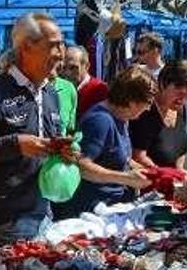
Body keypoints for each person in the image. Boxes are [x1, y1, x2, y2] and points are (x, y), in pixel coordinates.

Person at [0, 12, 66, 254]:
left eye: (62, 45)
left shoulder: (51, 93)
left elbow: (48, 143)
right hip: (7, 220)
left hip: (44, 211)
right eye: (54, 46)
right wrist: (16, 144)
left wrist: (64, 151)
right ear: (26, 48)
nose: (61, 54)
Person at [55, 66, 156, 218]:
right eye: (147, 102)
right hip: (91, 210)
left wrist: (142, 170)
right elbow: (82, 166)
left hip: (111, 206)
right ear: (131, 100)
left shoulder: (121, 119)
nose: (148, 108)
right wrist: (126, 178)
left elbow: (115, 156)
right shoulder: (100, 120)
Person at [129, 60, 187, 170]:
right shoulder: (145, 111)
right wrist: (166, 174)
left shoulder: (180, 109)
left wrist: (183, 175)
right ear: (161, 84)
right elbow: (138, 156)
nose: (182, 99)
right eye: (178, 92)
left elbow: (179, 151)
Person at [62, 46, 108, 118]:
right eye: (64, 68)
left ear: (87, 66)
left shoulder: (100, 90)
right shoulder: (58, 89)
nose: (67, 73)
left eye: (73, 68)